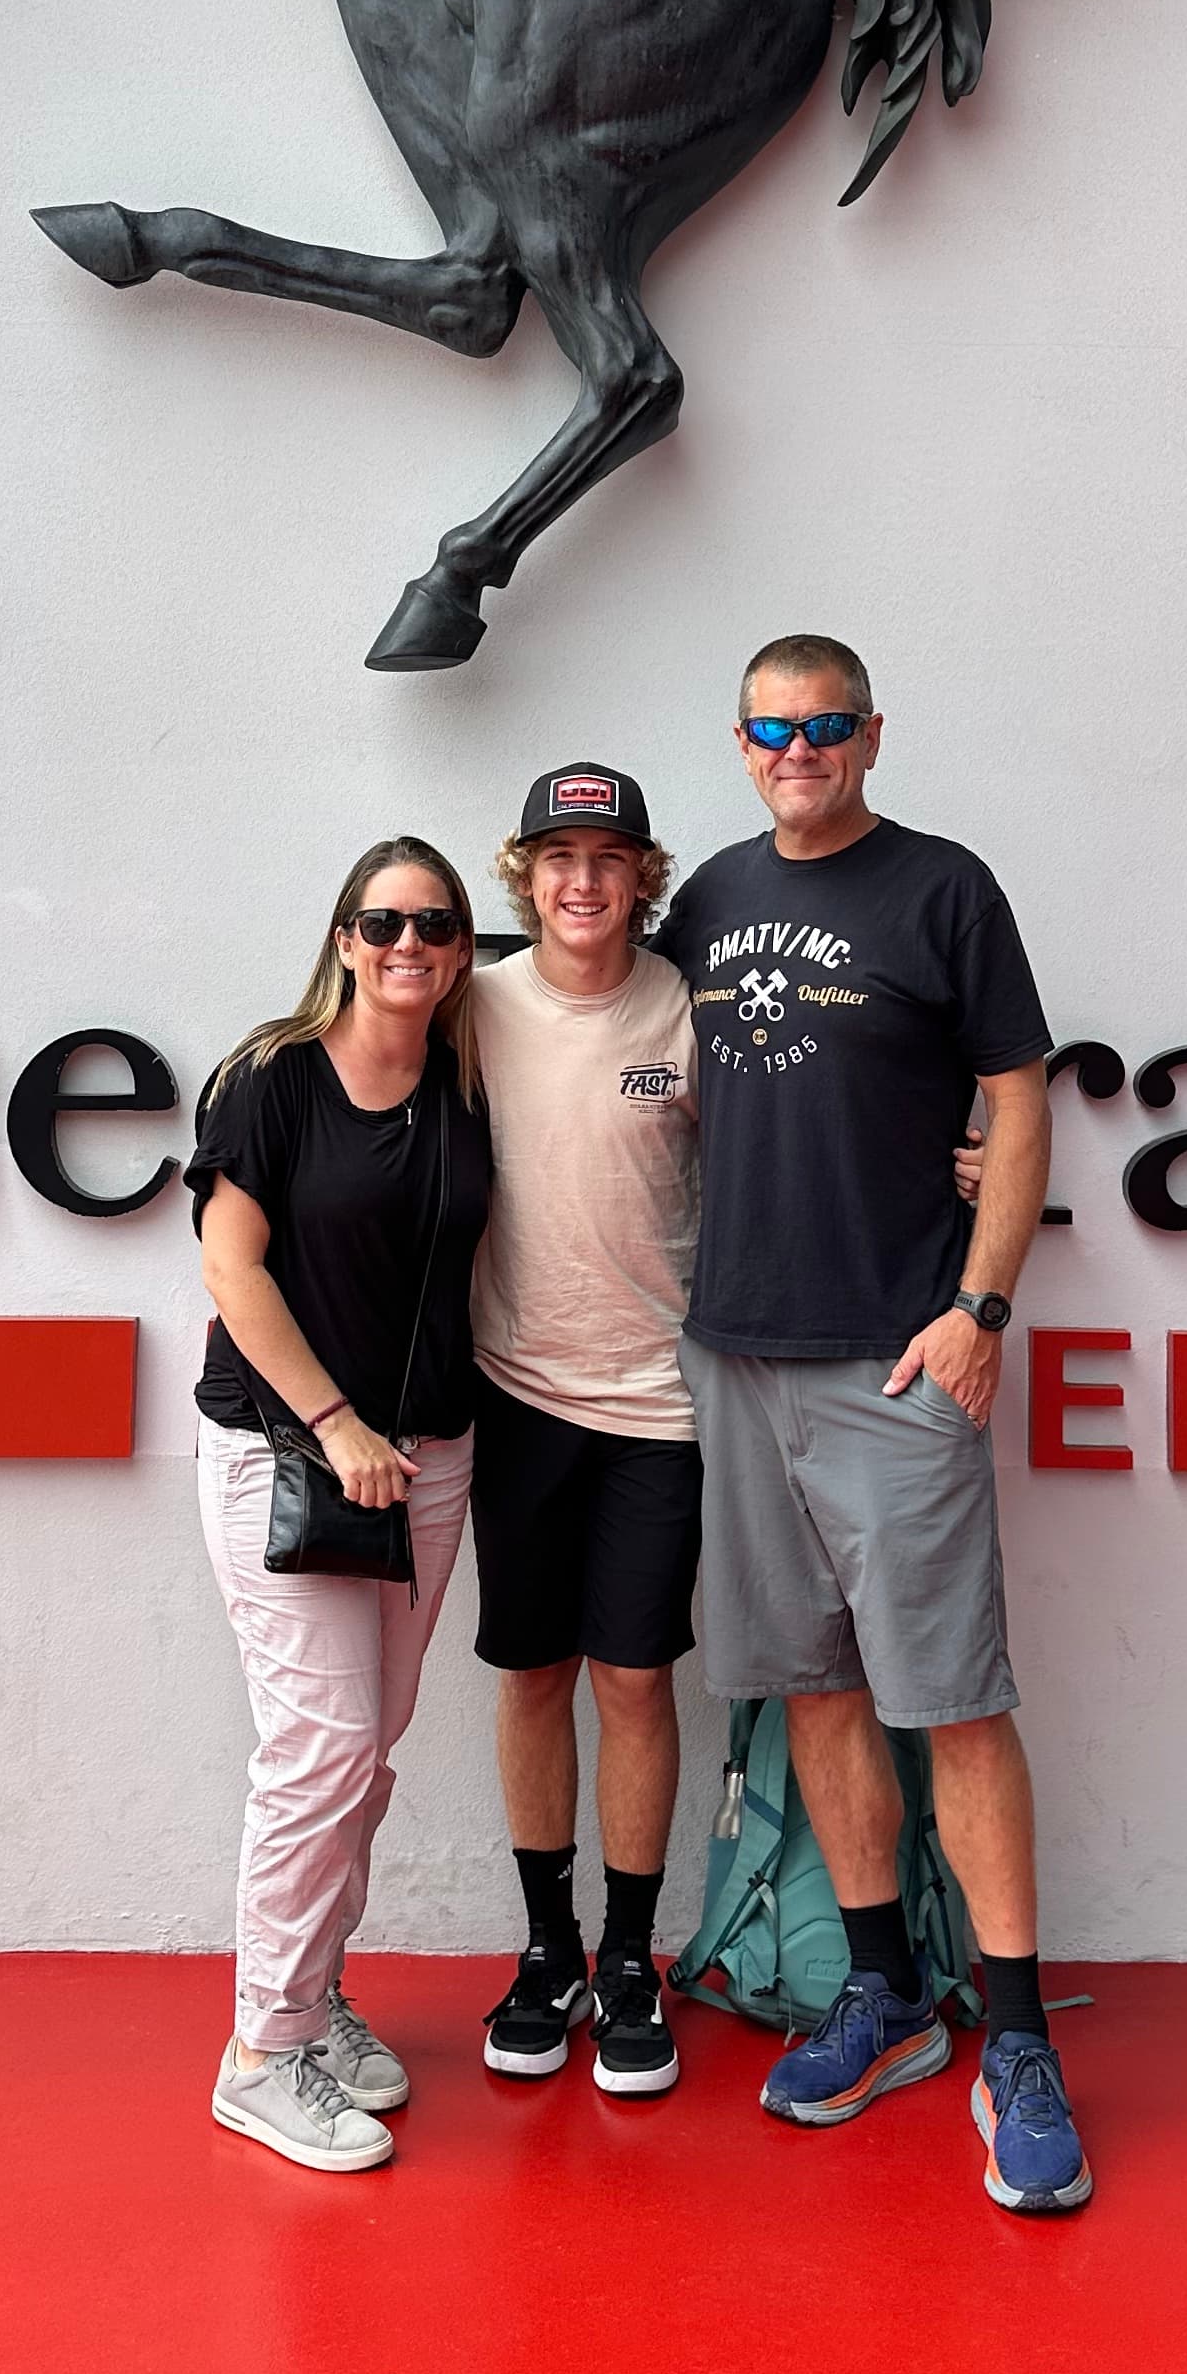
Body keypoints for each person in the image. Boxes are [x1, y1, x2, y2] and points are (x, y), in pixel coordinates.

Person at [658, 635, 1087, 2217]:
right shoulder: (700, 896)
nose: (799, 750)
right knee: (815, 1689)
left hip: (899, 1362)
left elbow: (1021, 1098)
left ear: (871, 735)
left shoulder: (943, 890)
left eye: (825, 726)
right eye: (772, 729)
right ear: (743, 739)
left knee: (955, 1700)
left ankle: (1026, 2047)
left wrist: (981, 1311)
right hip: (736, 1353)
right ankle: (887, 1990)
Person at [187, 838, 495, 2176]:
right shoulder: (272, 1079)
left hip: (425, 1463)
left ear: (464, 946)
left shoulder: (470, 1087)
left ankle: (312, 2003)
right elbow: (229, 1267)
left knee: (365, 1756)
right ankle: (261, 2053)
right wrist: (334, 1421)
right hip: (288, 1451)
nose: (407, 942)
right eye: (383, 922)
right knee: (319, 1748)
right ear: (345, 939)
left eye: (434, 923)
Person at [469, 765, 701, 2099]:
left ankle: (627, 1959)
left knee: (635, 1681)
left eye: (609, 857)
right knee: (532, 1675)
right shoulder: (475, 1004)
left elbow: (780, 1156)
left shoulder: (686, 1004)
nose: (583, 883)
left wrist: (946, 1160)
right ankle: (547, 1947)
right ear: (525, 874)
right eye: (559, 857)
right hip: (515, 1396)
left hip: (660, 1406)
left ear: (641, 876)